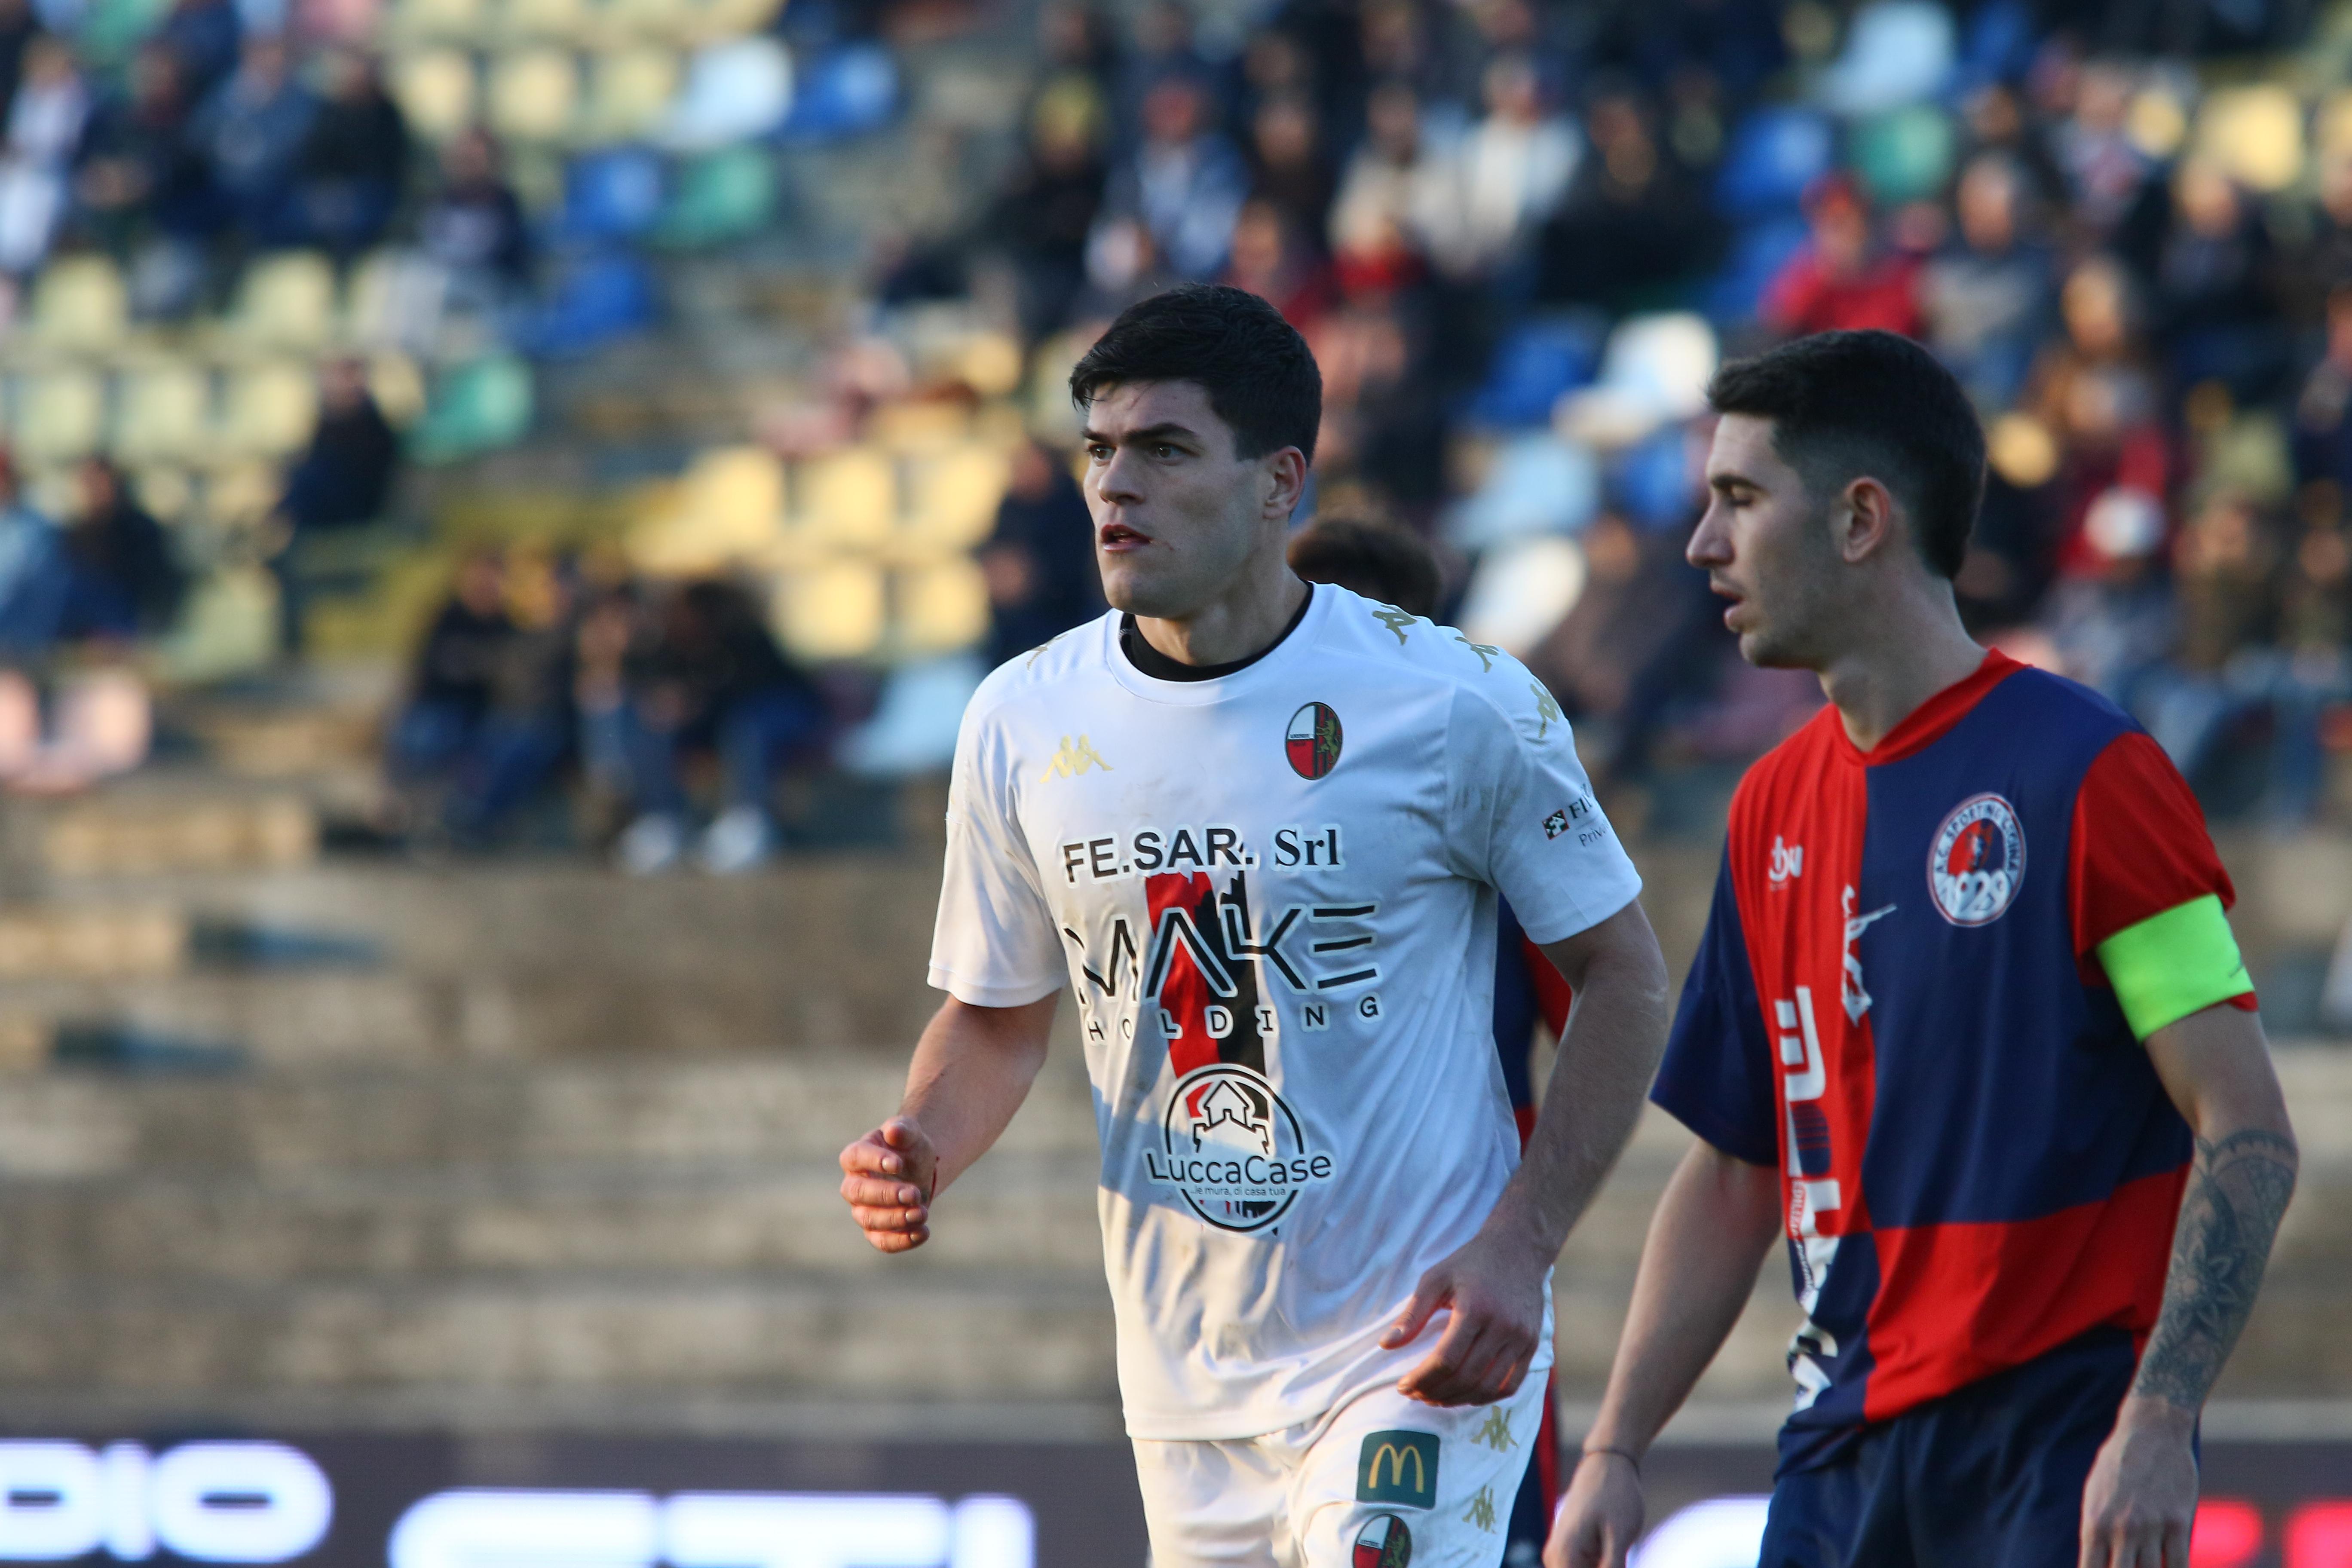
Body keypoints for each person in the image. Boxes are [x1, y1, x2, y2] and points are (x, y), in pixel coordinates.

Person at [839, 285, 1671, 1568]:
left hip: (1418, 1344)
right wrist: (924, 1143)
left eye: (1166, 449)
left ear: (1281, 481)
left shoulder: (1452, 700)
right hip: (1186, 1378)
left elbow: (1624, 979)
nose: (1117, 486)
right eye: (1100, 450)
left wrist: (1522, 1247)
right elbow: (996, 1021)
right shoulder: (1022, 720)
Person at [1547, 330, 2300, 1568]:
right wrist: (1616, 1449)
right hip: (1835, 1460)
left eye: (1740, 499)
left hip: (2050, 1453)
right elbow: (1737, 1169)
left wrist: (2161, 1420)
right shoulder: (1768, 808)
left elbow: (2247, 1125)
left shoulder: (2092, 773)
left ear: (1860, 521)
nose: (1703, 545)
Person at [1286, 511, 1569, 1568]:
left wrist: (1521, 1228)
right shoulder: (1227, 804)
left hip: (1452, 1253)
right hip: (1275, 1275)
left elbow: (1603, 1008)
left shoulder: (1489, 787)